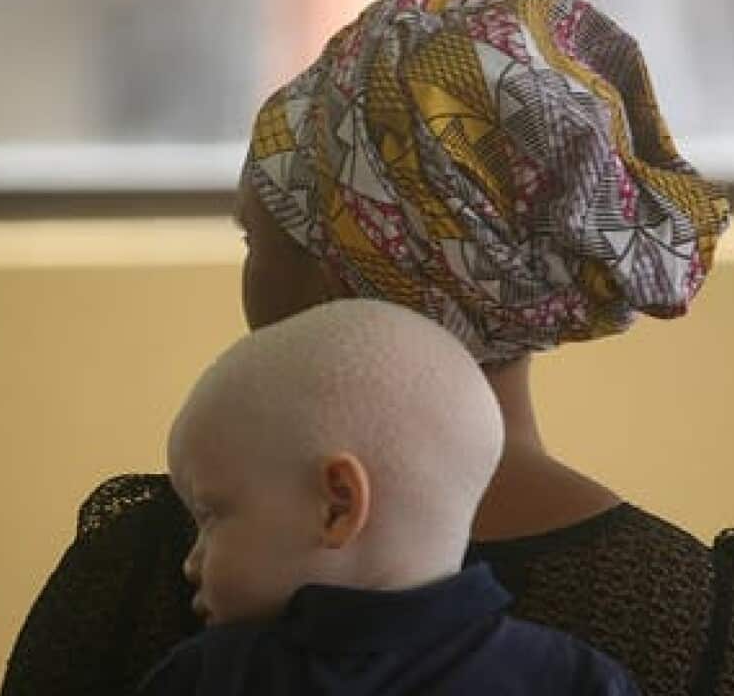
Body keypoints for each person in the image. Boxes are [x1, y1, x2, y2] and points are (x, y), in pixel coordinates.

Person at [0, 0, 734, 695]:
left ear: (347, 270)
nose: (247, 279)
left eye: (258, 241)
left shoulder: (159, 572)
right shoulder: (716, 621)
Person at [138, 298, 639, 695]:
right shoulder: (574, 679)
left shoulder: (216, 677)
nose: (191, 561)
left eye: (210, 515)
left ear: (337, 505)